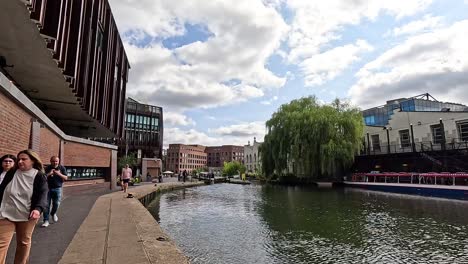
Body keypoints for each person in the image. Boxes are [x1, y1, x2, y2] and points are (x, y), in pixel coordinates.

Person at [0, 149, 48, 264]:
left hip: (27, 215)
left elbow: (43, 193)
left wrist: (38, 209)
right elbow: (1, 189)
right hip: (6, 213)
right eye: (19, 159)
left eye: (24, 159)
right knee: (1, 243)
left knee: (23, 243)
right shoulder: (12, 172)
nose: (20, 161)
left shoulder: (38, 175)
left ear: (32, 161)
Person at [42, 156, 67, 227]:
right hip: (47, 189)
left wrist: (58, 173)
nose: (55, 162)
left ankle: (53, 213)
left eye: (56, 161)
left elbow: (66, 178)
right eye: (53, 161)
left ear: (58, 161)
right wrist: (50, 173)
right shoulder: (47, 168)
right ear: (50, 161)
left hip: (57, 188)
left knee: (56, 204)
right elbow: (42, 178)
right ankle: (46, 220)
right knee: (46, 205)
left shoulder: (62, 168)